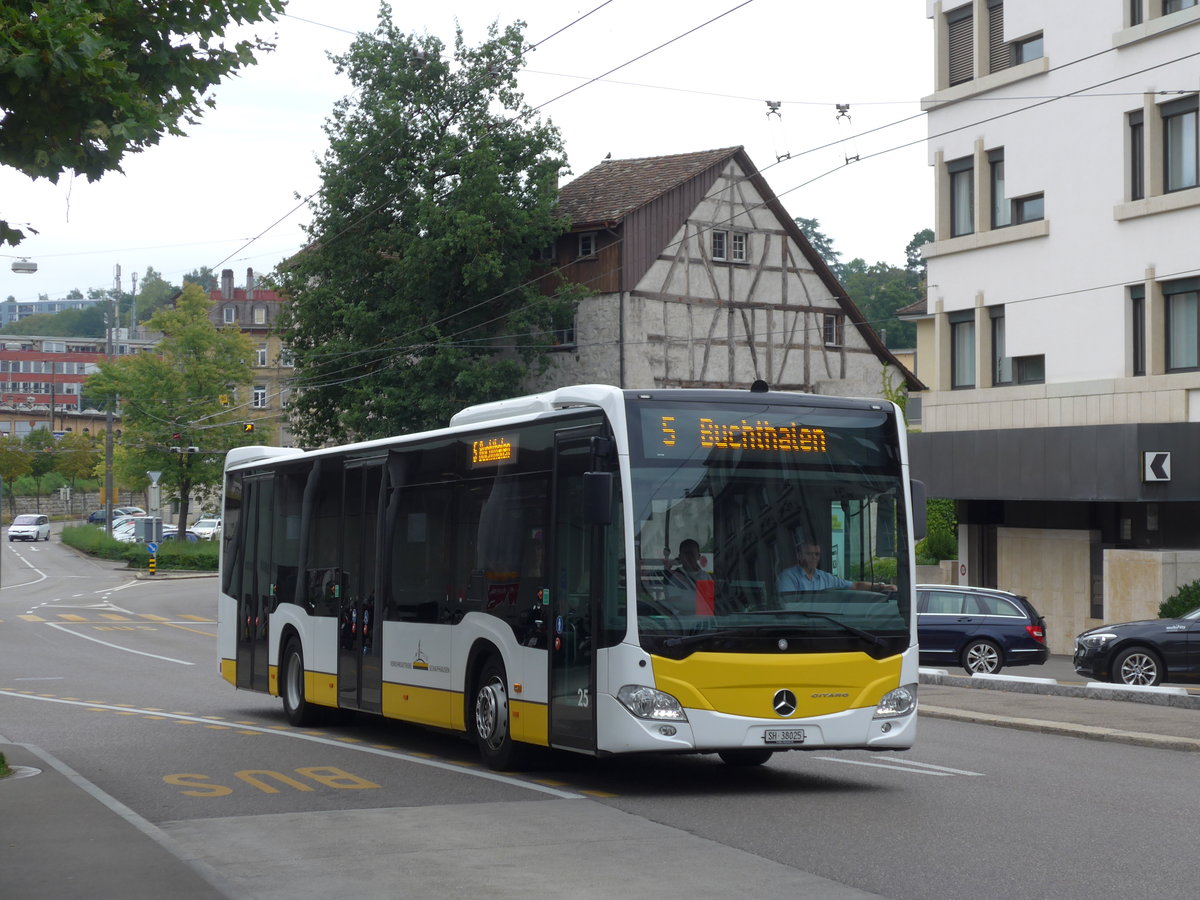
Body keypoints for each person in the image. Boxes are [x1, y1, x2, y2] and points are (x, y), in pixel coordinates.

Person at [777, 541, 895, 594]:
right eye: (809, 554)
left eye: (817, 554)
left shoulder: (826, 578)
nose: (813, 558)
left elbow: (855, 585)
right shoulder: (787, 577)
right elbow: (788, 606)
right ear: (799, 555)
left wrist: (882, 586)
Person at [661, 538, 715, 614]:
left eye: (692, 553)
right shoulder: (675, 576)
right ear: (680, 557)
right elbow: (677, 604)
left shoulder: (705, 577)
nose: (689, 557)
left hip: (704, 620)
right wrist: (700, 606)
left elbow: (708, 603)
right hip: (684, 622)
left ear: (698, 556)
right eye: (686, 553)